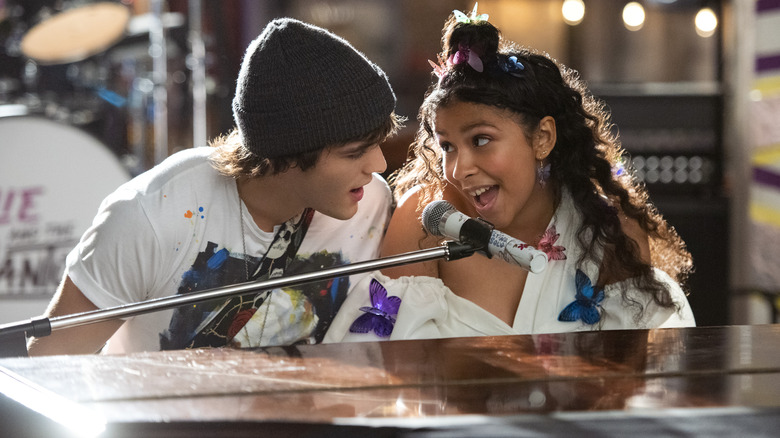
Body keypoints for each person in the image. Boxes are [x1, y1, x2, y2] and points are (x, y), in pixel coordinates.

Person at [27, 18, 403, 355]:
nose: (379, 166)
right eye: (355, 153)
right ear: (287, 153)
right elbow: (49, 366)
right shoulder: (152, 216)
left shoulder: (368, 203)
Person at [325, 6, 694, 343]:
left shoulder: (610, 232)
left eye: (481, 139)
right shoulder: (426, 221)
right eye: (447, 146)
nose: (458, 169)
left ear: (543, 138)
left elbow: (635, 381)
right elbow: (387, 371)